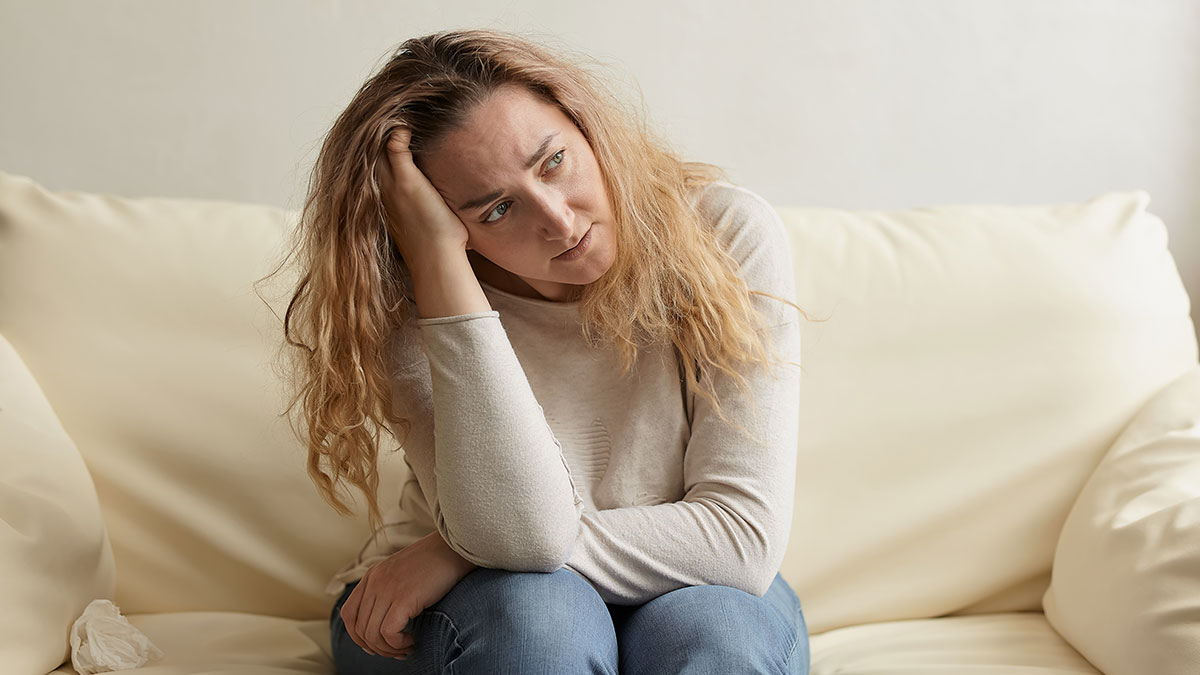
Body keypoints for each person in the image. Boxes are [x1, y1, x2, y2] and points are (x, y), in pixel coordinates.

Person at [278, 28, 810, 674]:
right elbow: (522, 534)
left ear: (582, 121)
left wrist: (458, 551)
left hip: (683, 581)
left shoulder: (727, 237)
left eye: (553, 161)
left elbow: (741, 537)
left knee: (719, 632)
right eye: (498, 209)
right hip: (482, 604)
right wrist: (440, 265)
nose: (558, 220)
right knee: (542, 625)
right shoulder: (415, 301)